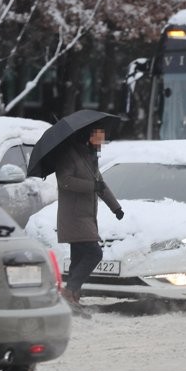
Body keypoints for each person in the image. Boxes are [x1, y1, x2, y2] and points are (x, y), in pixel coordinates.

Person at [55, 125, 124, 317]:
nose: (101, 141)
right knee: (94, 253)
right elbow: (65, 181)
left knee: (78, 258)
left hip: (87, 216)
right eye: (98, 137)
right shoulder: (69, 155)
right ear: (87, 136)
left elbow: (101, 186)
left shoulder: (89, 157)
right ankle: (68, 292)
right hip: (74, 216)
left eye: (102, 137)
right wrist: (91, 186)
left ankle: (73, 299)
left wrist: (116, 208)